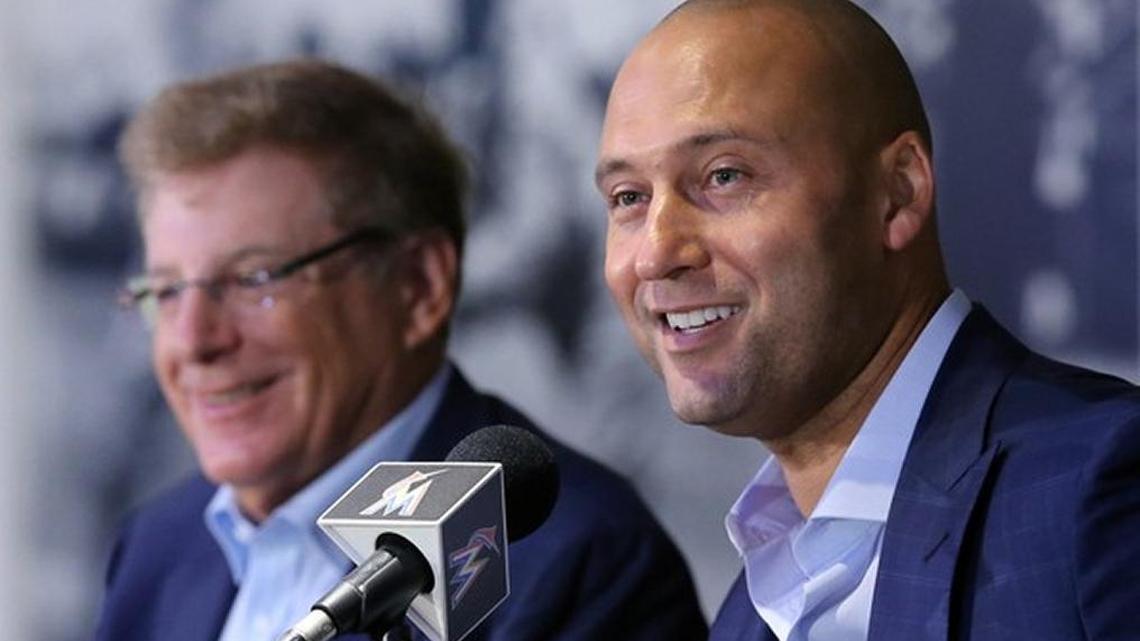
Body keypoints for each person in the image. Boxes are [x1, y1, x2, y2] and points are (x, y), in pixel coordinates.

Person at [94, 58, 706, 641]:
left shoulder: (578, 563)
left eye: (255, 279)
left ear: (419, 287)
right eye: (167, 290)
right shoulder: (158, 545)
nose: (195, 340)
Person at [596, 0, 1140, 639]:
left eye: (724, 176)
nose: (657, 252)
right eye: (629, 197)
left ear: (898, 192)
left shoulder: (1097, 490)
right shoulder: (748, 613)